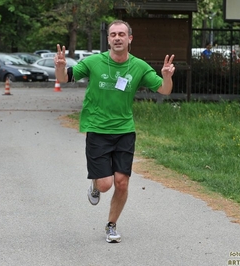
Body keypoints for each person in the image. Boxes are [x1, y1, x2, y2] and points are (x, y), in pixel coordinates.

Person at [54, 20, 175, 243]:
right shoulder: (93, 62)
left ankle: (111, 225)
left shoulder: (139, 66)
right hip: (97, 129)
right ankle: (95, 184)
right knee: (105, 184)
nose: (117, 38)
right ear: (108, 39)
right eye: (113, 34)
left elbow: (164, 90)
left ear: (130, 38)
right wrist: (60, 67)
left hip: (124, 131)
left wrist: (167, 76)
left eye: (121, 34)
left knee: (122, 182)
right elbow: (64, 78)